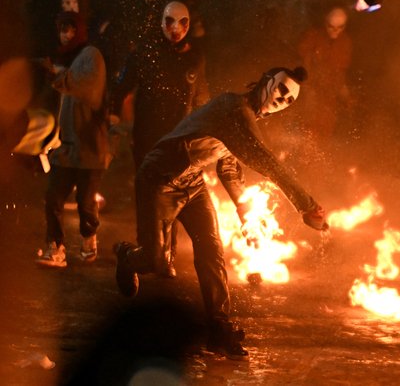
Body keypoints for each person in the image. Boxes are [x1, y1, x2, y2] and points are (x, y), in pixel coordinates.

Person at [113, 66, 328, 360]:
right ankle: (127, 256)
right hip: (159, 179)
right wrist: (306, 204)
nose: (283, 99)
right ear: (266, 81)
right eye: (281, 89)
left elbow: (228, 168)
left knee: (212, 251)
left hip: (193, 184)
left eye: (290, 99)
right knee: (156, 262)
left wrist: (247, 217)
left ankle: (218, 329)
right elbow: (262, 160)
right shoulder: (234, 108)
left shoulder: (244, 116)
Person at [111, 0, 210, 278]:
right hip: (147, 139)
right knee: (148, 197)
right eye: (169, 21)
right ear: (161, 21)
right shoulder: (146, 52)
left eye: (183, 22)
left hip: (179, 140)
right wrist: (112, 116)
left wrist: (207, 129)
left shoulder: (195, 57)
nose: (176, 28)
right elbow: (121, 88)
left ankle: (167, 254)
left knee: (174, 196)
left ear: (189, 24)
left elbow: (201, 96)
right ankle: (145, 250)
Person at [35, 11, 111, 268]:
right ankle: (55, 247)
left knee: (85, 203)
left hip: (90, 147)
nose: (66, 34)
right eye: (62, 30)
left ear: (79, 30)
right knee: (53, 197)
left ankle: (89, 236)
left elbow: (85, 87)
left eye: (70, 29)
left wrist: (56, 75)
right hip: (66, 147)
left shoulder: (91, 56)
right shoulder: (64, 60)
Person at [296, 6, 353, 146]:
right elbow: (303, 61)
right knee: (306, 127)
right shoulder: (313, 36)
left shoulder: (345, 43)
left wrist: (344, 92)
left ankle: (317, 162)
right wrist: (307, 88)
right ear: (325, 23)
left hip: (329, 94)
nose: (335, 31)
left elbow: (341, 71)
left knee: (325, 130)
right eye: (331, 27)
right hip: (311, 88)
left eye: (339, 28)